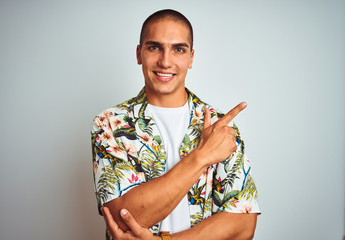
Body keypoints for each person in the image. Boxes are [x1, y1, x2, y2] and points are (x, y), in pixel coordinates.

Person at [91, 9, 260, 240]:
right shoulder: (110, 122)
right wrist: (202, 156)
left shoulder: (221, 127)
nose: (165, 61)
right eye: (154, 47)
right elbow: (121, 217)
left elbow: (243, 222)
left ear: (191, 58)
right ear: (139, 54)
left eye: (178, 49)